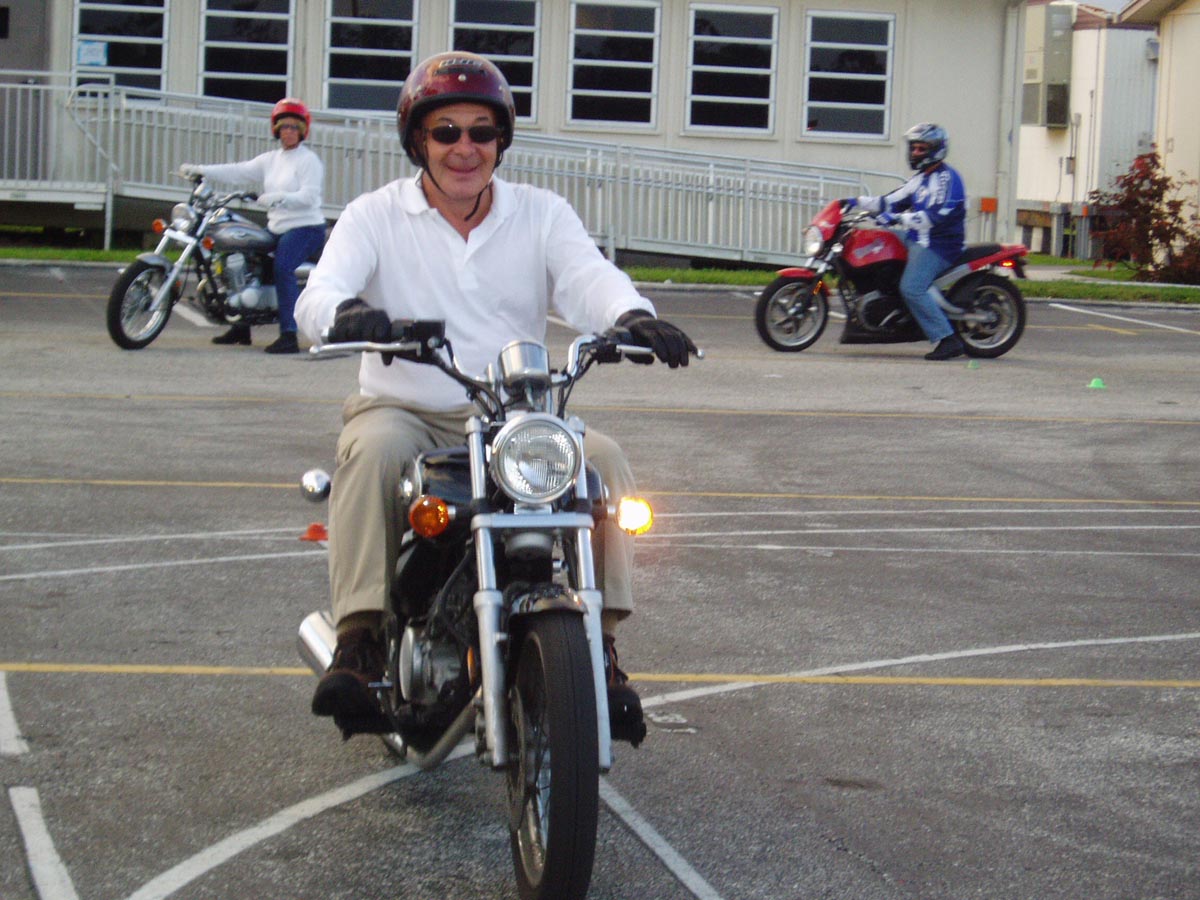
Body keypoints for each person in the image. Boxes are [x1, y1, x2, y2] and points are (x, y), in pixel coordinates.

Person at [294, 52, 696, 745]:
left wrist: (631, 316)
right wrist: (348, 315)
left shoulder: (539, 213)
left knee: (602, 463)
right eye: (446, 132)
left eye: (481, 132)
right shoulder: (374, 216)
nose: (464, 148)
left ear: (500, 140)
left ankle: (599, 649)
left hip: (516, 413)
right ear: (418, 140)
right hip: (408, 408)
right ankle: (358, 642)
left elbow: (589, 278)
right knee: (372, 450)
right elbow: (318, 296)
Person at [180, 98, 326, 354]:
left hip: (305, 227)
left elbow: (310, 196)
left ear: (303, 131)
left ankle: (289, 335)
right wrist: (201, 170)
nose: (289, 131)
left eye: (294, 127)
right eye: (284, 126)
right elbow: (238, 171)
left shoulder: (308, 160)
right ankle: (240, 328)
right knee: (244, 257)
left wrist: (280, 198)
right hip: (277, 227)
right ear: (276, 129)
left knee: (282, 267)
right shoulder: (271, 160)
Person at [844, 122, 967, 361]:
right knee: (874, 242)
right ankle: (887, 300)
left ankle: (947, 339)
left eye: (921, 149)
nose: (915, 153)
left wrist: (897, 218)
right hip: (915, 238)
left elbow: (934, 216)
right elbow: (890, 201)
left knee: (912, 288)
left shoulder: (947, 180)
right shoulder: (920, 178)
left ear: (936, 150)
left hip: (938, 245)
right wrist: (853, 202)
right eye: (913, 148)